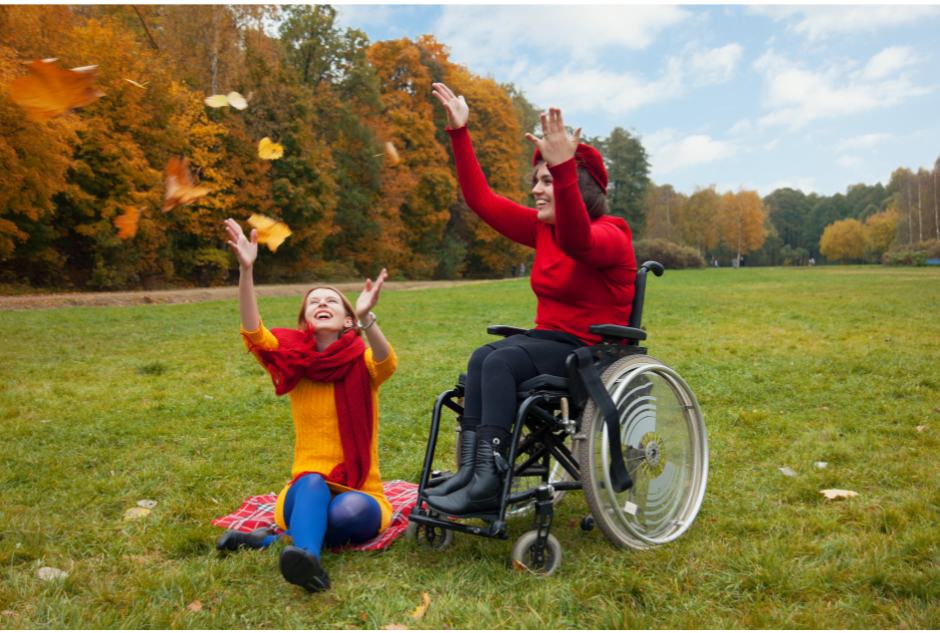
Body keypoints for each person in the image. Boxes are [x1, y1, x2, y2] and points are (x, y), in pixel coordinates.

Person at [425, 83, 637, 516]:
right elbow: (481, 200)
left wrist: (562, 169)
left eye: (547, 181)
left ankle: (489, 479)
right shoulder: (543, 228)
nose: (536, 190)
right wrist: (459, 133)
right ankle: (473, 473)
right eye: (536, 181)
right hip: (552, 342)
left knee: (500, 360)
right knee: (483, 356)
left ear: (576, 187)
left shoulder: (612, 235)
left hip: (593, 353)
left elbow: (580, 243)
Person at [215, 218, 397, 594]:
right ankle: (309, 561)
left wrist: (368, 318)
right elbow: (255, 334)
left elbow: (386, 358)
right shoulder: (292, 363)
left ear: (348, 320)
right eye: (314, 301)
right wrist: (246, 272)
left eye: (332, 300)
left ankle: (273, 541)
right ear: (306, 321)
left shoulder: (363, 366)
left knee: (349, 511)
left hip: (360, 492)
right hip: (303, 493)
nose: (322, 303)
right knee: (312, 482)